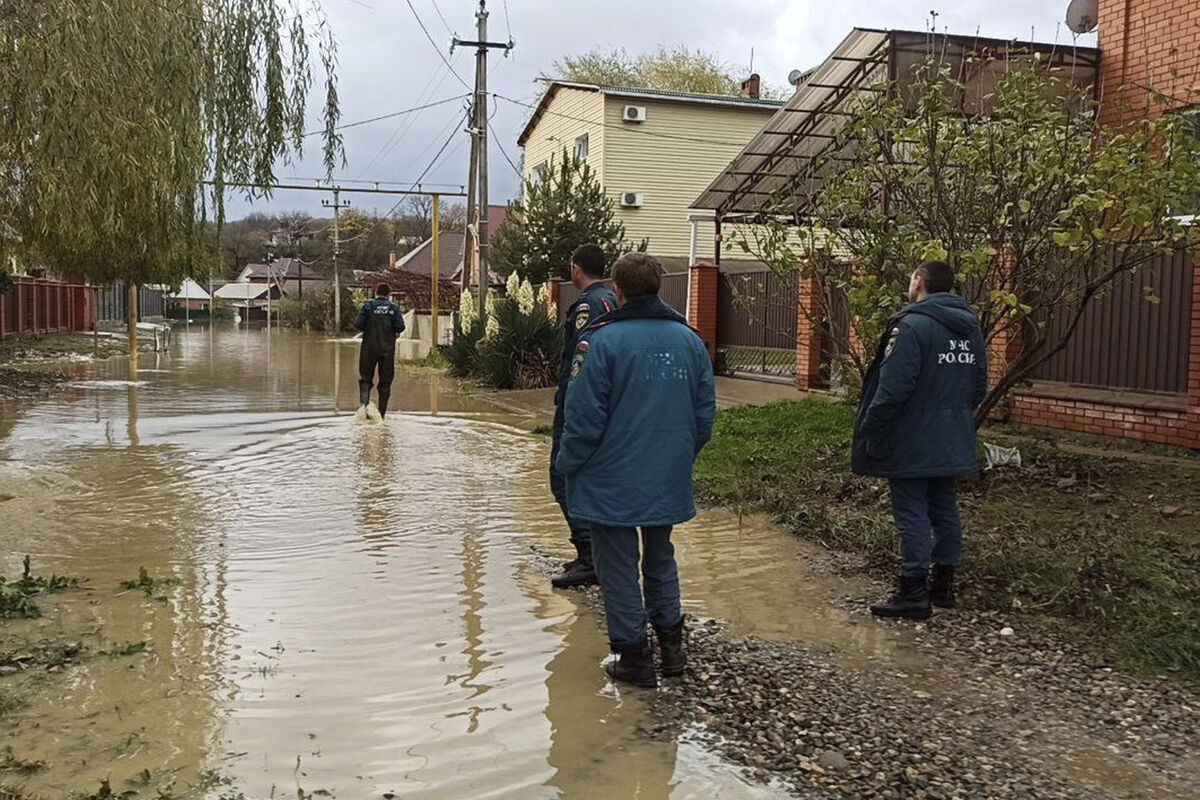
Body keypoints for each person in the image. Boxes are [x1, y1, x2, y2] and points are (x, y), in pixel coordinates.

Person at [556, 252, 716, 688]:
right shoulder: (688, 340)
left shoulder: (600, 341)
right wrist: (677, 456)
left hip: (610, 479)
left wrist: (566, 465)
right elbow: (704, 416)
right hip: (665, 475)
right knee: (661, 557)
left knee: (618, 566)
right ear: (658, 286)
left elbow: (583, 419)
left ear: (619, 291)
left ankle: (634, 658)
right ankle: (672, 650)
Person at [852, 260, 988, 620]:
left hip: (911, 438)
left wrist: (872, 427)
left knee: (911, 511)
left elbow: (892, 389)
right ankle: (944, 586)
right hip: (953, 435)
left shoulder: (910, 327)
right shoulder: (970, 329)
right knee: (944, 506)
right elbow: (978, 388)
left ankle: (913, 590)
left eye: (911, 278)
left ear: (919, 282)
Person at [549, 244, 618, 589]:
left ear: (576, 269)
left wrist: (571, 401)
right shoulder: (611, 298)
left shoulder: (589, 306)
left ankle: (590, 556)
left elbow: (583, 359)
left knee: (562, 476)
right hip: (602, 403)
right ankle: (591, 554)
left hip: (581, 404)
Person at [352, 283, 406, 420]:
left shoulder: (368, 306)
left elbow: (357, 324)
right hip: (387, 350)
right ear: (389, 295)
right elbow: (400, 327)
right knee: (385, 382)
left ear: (375, 293)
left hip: (369, 349)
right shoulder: (393, 308)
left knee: (365, 380)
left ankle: (364, 409)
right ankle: (381, 415)